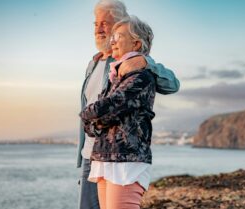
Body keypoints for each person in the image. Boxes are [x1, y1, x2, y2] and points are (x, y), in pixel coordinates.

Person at [77, 0, 180, 208]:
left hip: (121, 157)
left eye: (106, 23)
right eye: (96, 24)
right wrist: (89, 121)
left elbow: (173, 84)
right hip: (95, 153)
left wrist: (146, 61)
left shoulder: (134, 65)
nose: (100, 29)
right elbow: (90, 112)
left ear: (119, 23)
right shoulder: (94, 64)